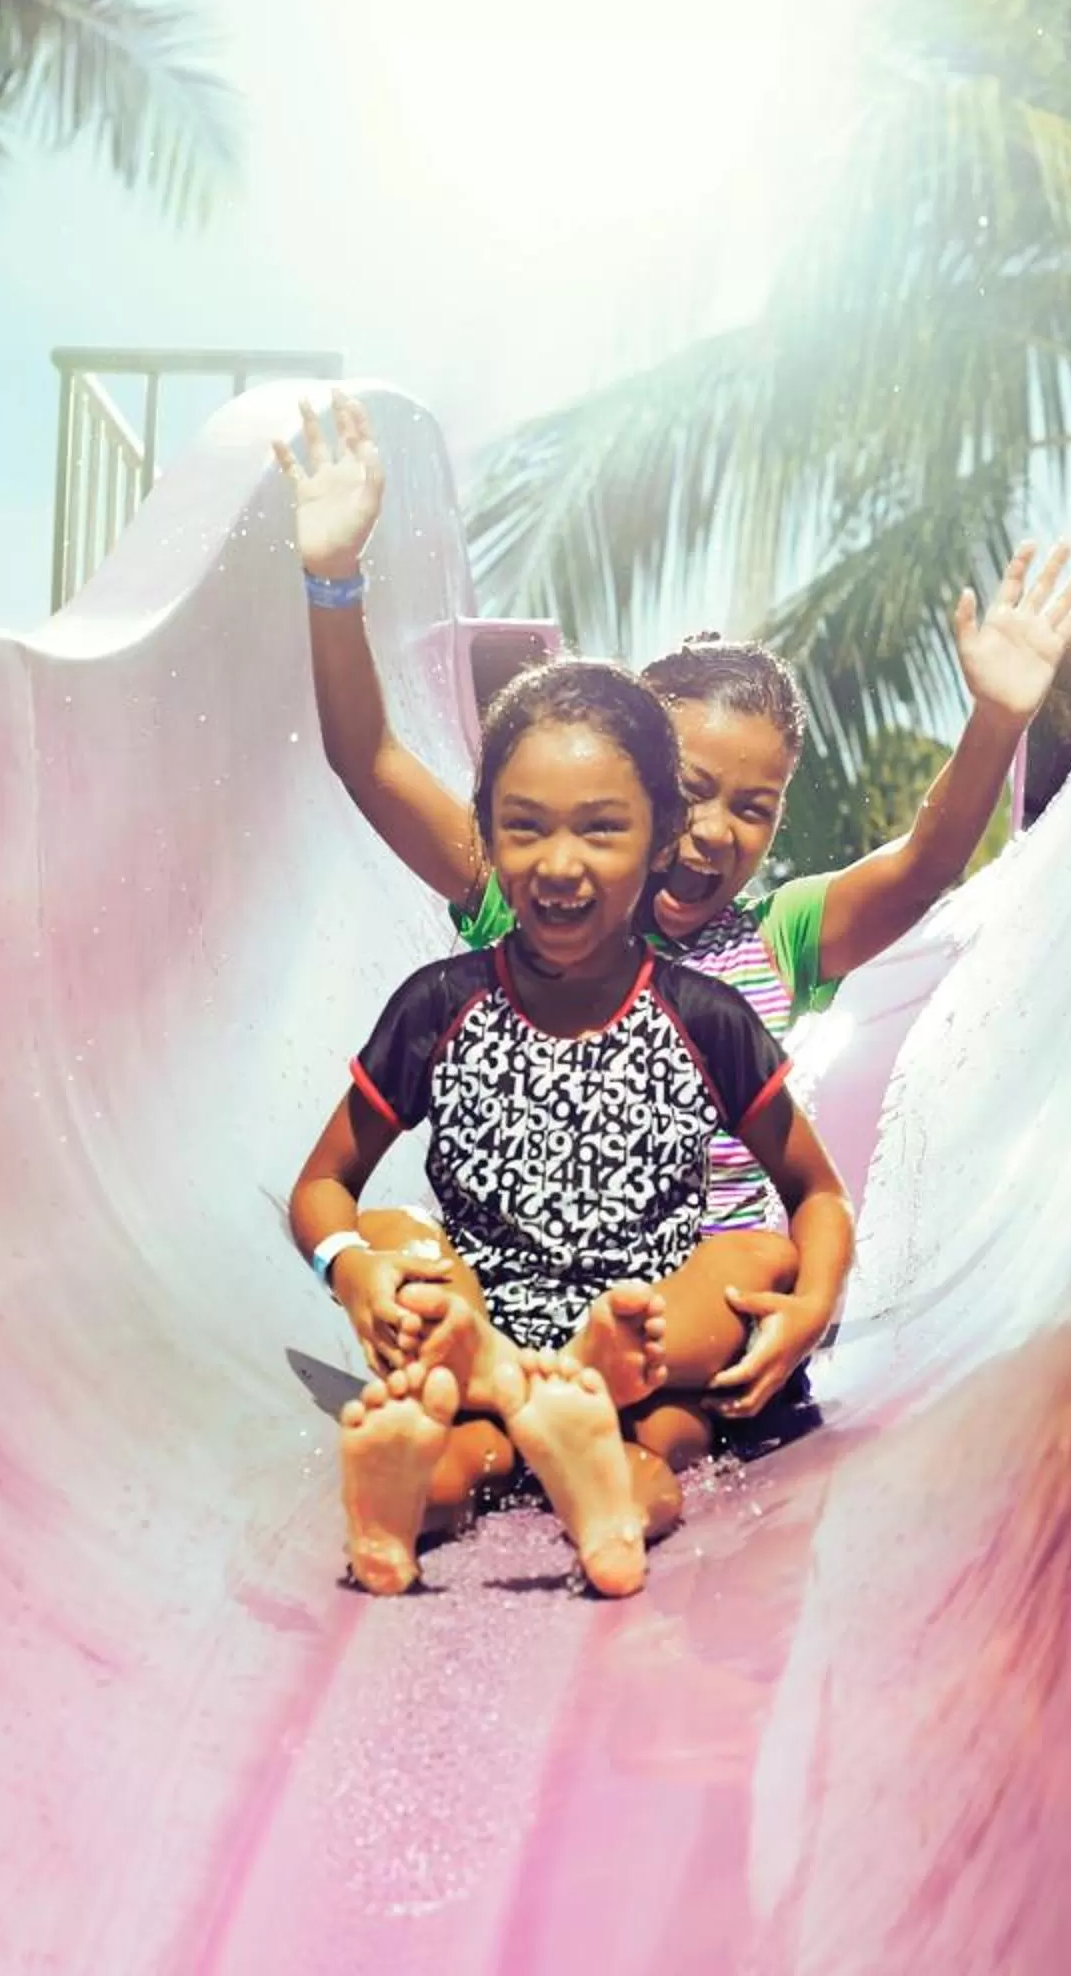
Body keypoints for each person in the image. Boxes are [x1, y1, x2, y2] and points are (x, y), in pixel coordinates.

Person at [275, 391, 1071, 1465]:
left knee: (743, 1268)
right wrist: (333, 581)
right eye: (694, 792)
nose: (713, 833)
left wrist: (997, 718)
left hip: (706, 1305)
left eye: (753, 808)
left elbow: (926, 862)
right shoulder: (527, 889)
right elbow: (370, 761)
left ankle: (545, 1405)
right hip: (534, 1273)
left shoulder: (777, 938)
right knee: (425, 1264)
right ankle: (529, 1408)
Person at [290, 660, 855, 1597]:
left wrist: (808, 1312)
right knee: (400, 1249)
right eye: (525, 828)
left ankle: (576, 1473)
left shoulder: (705, 1015)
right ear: (487, 833)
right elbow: (325, 1187)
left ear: (660, 836)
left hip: (642, 1340)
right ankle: (416, 1495)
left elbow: (815, 1193)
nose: (560, 864)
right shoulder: (441, 1006)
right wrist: (349, 1268)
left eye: (602, 829)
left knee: (739, 1285)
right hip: (473, 1330)